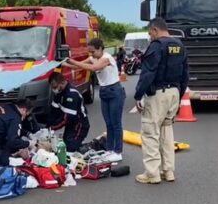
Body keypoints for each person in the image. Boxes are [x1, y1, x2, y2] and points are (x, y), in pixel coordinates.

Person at [134, 17, 189, 184]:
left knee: (150, 133)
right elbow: (185, 74)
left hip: (158, 93)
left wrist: (138, 95)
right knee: (167, 132)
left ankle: (152, 174)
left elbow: (148, 73)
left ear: (155, 30)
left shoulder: (157, 46)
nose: (150, 37)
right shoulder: (179, 46)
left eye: (150, 33)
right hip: (174, 92)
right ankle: (168, 171)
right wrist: (179, 95)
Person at [67, 38, 126, 162]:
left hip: (115, 91)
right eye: (89, 52)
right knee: (108, 123)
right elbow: (77, 65)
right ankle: (110, 150)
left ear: (100, 49)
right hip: (104, 91)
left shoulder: (106, 58)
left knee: (116, 123)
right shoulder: (93, 58)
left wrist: (72, 61)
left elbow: (94, 68)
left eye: (93, 51)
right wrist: (63, 62)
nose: (91, 54)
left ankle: (118, 151)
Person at [47, 72, 90, 152]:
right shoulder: (59, 92)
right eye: (52, 87)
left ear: (62, 82)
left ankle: (87, 147)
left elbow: (66, 118)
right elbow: (54, 111)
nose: (54, 89)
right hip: (71, 124)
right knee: (65, 144)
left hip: (79, 124)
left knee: (71, 147)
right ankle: (78, 145)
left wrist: (52, 128)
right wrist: (48, 126)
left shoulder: (71, 94)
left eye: (55, 87)